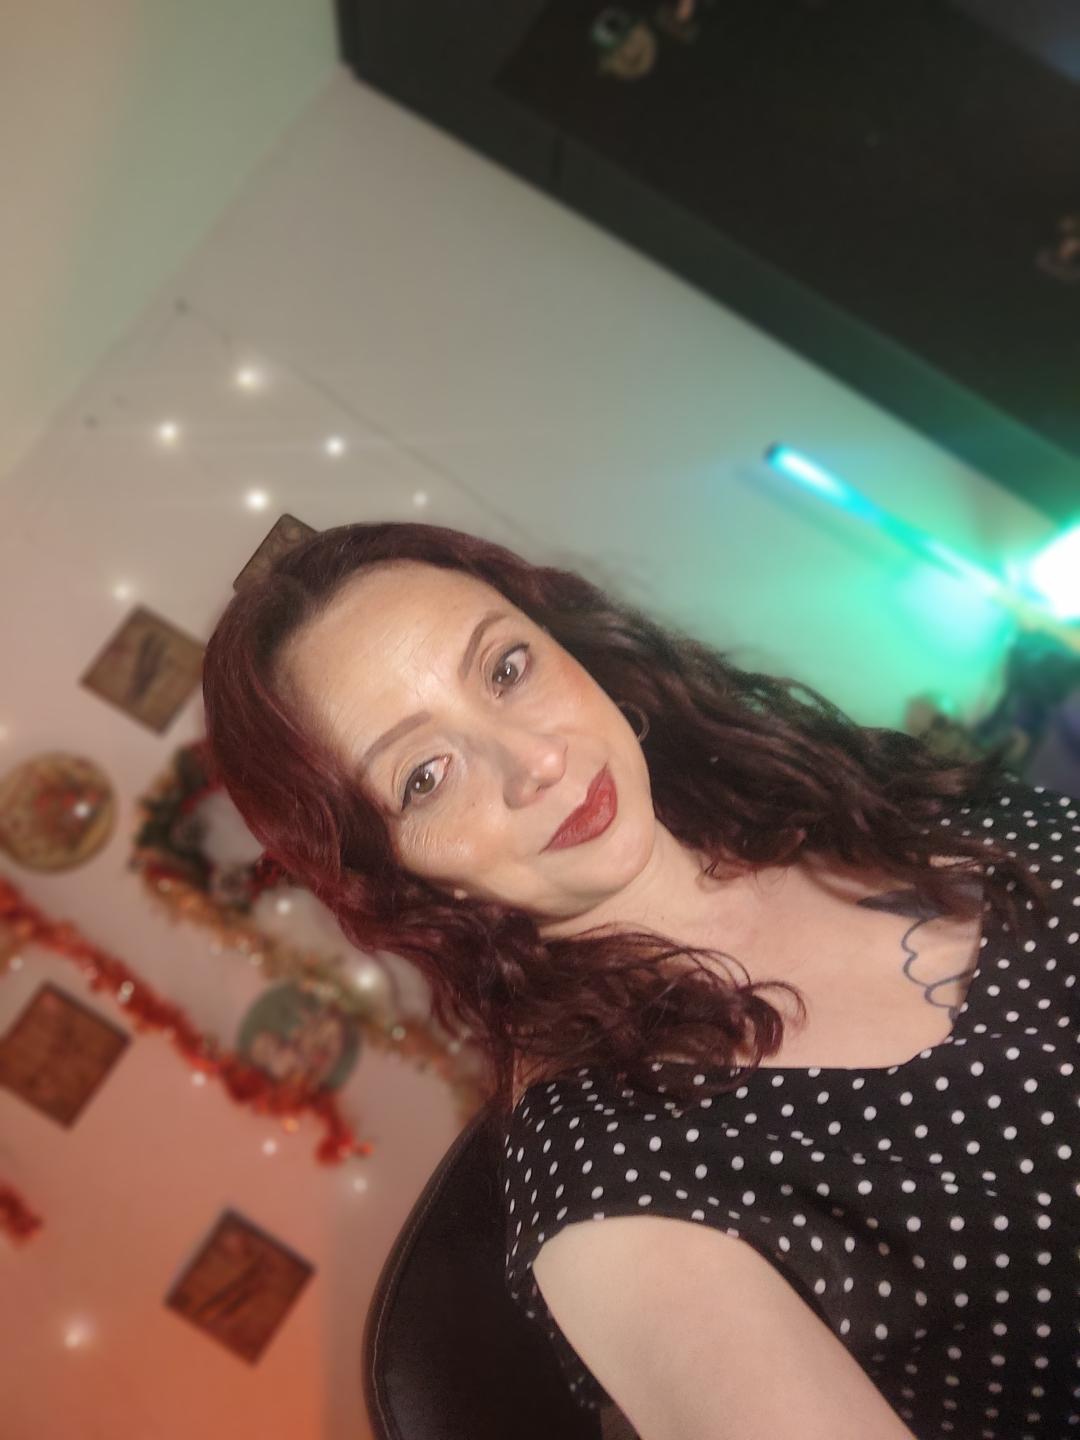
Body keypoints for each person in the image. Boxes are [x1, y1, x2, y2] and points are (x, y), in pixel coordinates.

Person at [202, 521, 1077, 1440]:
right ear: (395, 872)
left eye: (506, 669)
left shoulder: (839, 782)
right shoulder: (612, 1200)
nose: (536, 763)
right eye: (426, 776)